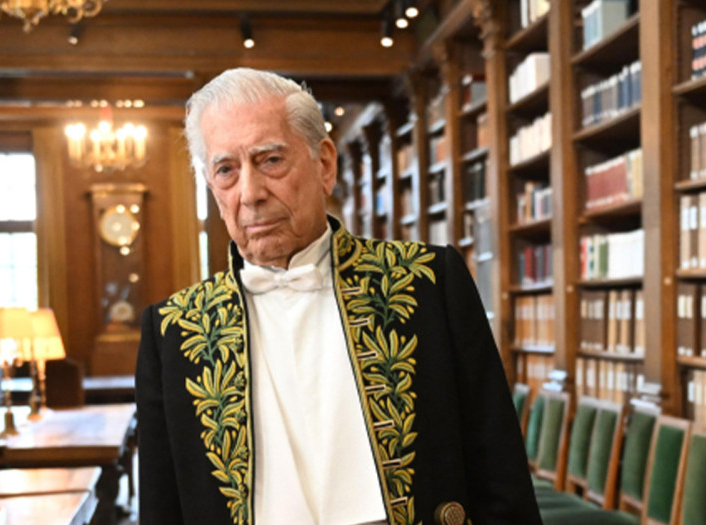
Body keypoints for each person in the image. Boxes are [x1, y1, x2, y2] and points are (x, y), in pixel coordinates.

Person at [135, 68, 540, 525]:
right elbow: (160, 511)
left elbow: (502, 482)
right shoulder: (173, 331)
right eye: (226, 170)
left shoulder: (427, 283)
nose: (250, 194)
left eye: (270, 160)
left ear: (324, 164)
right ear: (211, 185)